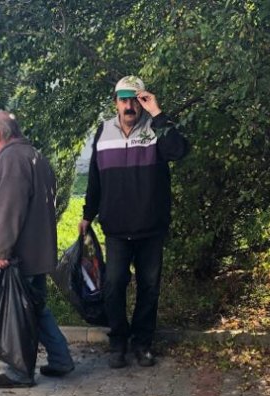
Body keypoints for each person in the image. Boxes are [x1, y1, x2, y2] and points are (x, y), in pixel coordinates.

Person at [79, 75, 189, 368]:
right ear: (115, 102)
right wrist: (87, 215)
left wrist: (157, 113)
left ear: (142, 102)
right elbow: (95, 179)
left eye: (135, 100)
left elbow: (179, 150)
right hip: (116, 229)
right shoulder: (103, 132)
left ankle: (142, 344)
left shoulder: (156, 129)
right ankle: (118, 343)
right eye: (123, 100)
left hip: (151, 227)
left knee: (149, 288)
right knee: (113, 285)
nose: (129, 106)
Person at [0, 110, 75, 389]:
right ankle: (60, 359)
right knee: (35, 307)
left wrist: (1, 251)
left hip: (18, 256)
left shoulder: (10, 158)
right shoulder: (35, 155)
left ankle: (18, 372)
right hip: (36, 252)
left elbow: (10, 209)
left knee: (17, 312)